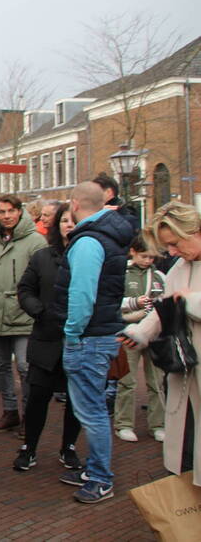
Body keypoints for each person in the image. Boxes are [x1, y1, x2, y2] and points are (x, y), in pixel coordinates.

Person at [55, 182, 133, 503]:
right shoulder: (109, 236)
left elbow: (82, 295)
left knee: (93, 411)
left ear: (75, 204)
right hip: (99, 333)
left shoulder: (87, 241)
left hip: (88, 337)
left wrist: (73, 333)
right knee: (93, 407)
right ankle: (95, 470)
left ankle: (101, 478)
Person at [121, 201, 201, 487]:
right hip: (186, 367)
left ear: (195, 231)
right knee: (186, 448)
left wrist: (189, 300)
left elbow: (181, 300)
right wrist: (140, 332)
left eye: (175, 243)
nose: (172, 252)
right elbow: (164, 306)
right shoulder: (181, 266)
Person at [14, 202, 83, 472]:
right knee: (37, 398)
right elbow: (25, 289)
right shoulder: (42, 257)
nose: (69, 225)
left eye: (74, 221)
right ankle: (29, 447)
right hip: (46, 338)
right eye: (65, 220)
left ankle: (69, 447)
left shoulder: (89, 255)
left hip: (76, 341)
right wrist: (38, 311)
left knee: (75, 400)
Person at [0, 194, 48, 434]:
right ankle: (9, 411)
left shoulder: (36, 242)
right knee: (0, 365)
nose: (6, 216)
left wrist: (31, 304)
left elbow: (42, 279)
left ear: (20, 211)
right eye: (2, 212)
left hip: (23, 314)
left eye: (11, 211)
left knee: (24, 366)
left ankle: (28, 414)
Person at [114, 233, 166, 443]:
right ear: (133, 252)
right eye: (144, 256)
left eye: (152, 257)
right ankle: (124, 423)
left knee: (157, 382)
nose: (148, 261)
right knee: (128, 381)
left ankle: (158, 424)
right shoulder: (122, 273)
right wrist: (134, 303)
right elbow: (114, 301)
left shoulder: (160, 276)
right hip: (129, 331)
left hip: (155, 334)